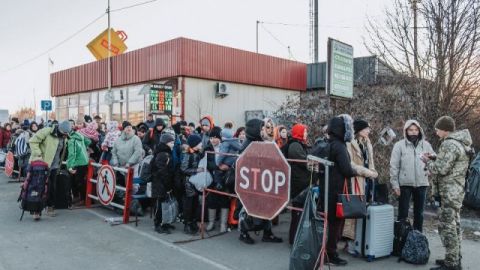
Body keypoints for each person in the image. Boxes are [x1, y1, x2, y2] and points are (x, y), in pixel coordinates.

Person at [421, 116, 472, 270]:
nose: (436, 132)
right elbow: (452, 163)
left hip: (449, 191)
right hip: (456, 190)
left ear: (445, 129)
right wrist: (436, 157)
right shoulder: (460, 143)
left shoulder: (450, 144)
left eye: (437, 129)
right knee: (454, 224)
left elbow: (441, 169)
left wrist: (427, 161)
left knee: (447, 226)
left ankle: (451, 264)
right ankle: (454, 258)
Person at [237, 118, 283, 244]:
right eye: (262, 128)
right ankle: (243, 233)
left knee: (266, 207)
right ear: (255, 130)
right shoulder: (247, 145)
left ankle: (267, 233)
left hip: (260, 181)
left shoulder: (260, 142)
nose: (264, 130)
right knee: (246, 209)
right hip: (249, 183)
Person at [323, 114, 358, 266]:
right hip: (338, 191)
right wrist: (357, 171)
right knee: (336, 225)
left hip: (328, 189)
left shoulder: (328, 143)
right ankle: (331, 253)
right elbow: (347, 170)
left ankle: (327, 252)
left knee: (330, 223)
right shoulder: (340, 146)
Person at [390, 120, 434, 232]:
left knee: (419, 214)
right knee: (403, 214)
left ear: (419, 131)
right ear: (406, 131)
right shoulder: (399, 146)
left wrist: (430, 170)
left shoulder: (426, 145)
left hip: (422, 183)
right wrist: (395, 184)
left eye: (416, 130)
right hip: (404, 184)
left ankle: (417, 239)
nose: (414, 132)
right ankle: (401, 239)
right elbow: (394, 166)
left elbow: (434, 161)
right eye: (411, 130)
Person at [343, 119, 378, 253]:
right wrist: (368, 172)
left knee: (362, 209)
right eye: (366, 128)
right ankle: (349, 242)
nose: (369, 131)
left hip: (367, 181)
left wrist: (373, 172)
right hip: (355, 180)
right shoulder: (349, 143)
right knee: (353, 210)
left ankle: (360, 240)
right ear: (359, 130)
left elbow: (370, 162)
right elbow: (350, 164)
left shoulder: (367, 143)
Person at [29, 120, 71, 217]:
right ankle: (36, 210)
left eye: (66, 134)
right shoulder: (47, 131)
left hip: (54, 166)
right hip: (40, 164)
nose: (65, 135)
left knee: (52, 187)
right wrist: (38, 154)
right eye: (63, 133)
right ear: (59, 129)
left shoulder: (64, 137)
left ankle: (50, 206)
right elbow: (32, 141)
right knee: (39, 187)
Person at [286, 123, 311, 245]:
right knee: (297, 213)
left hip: (302, 182)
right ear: (299, 132)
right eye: (304, 131)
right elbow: (304, 161)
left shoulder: (300, 144)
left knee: (300, 213)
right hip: (298, 183)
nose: (306, 133)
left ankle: (297, 238)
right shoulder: (295, 145)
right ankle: (294, 239)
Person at [205, 126, 232, 233]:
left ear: (220, 138)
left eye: (215, 137)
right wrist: (218, 166)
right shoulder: (207, 148)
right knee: (211, 200)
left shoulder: (226, 147)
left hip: (224, 178)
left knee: (224, 201)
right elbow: (206, 163)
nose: (213, 140)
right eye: (211, 138)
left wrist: (227, 167)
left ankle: (223, 224)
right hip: (211, 178)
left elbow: (231, 161)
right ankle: (211, 223)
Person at [152, 133, 176, 234]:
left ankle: (165, 223)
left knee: (165, 204)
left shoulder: (166, 152)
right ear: (166, 142)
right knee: (159, 204)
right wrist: (167, 185)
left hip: (163, 182)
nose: (173, 144)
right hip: (160, 183)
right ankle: (157, 224)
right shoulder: (162, 154)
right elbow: (162, 171)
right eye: (171, 142)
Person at [180, 134, 203, 235]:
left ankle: (193, 222)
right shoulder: (187, 154)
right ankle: (187, 224)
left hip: (195, 182)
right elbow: (183, 169)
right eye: (199, 143)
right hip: (188, 183)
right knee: (188, 205)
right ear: (194, 144)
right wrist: (196, 170)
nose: (201, 144)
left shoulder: (198, 153)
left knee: (195, 205)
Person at [66, 129, 91, 206]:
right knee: (79, 181)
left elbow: (72, 154)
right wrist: (82, 149)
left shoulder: (71, 140)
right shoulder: (79, 135)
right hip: (84, 160)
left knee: (77, 181)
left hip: (77, 162)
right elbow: (88, 141)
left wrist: (69, 166)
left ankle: (82, 199)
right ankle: (79, 198)